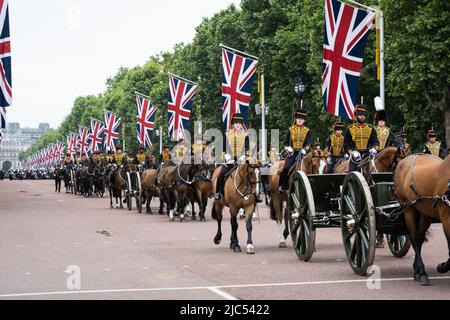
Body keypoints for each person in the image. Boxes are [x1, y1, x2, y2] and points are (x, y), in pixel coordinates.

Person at [214, 113, 249, 200]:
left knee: (253, 173)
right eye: (236, 123)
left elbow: (247, 147)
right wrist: (227, 156)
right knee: (221, 174)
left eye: (239, 123)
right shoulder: (228, 134)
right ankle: (218, 193)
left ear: (242, 125)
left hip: (242, 159)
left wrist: (244, 156)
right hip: (230, 160)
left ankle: (255, 194)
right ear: (233, 124)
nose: (238, 125)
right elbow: (224, 147)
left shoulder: (246, 135)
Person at [278, 108, 312, 194]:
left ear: (304, 120)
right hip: (293, 153)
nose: (300, 120)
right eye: (298, 118)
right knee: (286, 168)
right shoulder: (291, 129)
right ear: (295, 119)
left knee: (312, 167)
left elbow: (309, 143)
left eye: (302, 119)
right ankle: (282, 186)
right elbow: (285, 143)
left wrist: (305, 149)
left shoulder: (307, 130)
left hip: (303, 154)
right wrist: (288, 148)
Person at [343, 105, 379, 172]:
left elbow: (376, 141)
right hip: (355, 154)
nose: (362, 117)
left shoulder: (370, 128)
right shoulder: (350, 129)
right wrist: (352, 152)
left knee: (376, 168)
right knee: (352, 171)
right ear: (356, 116)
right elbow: (346, 144)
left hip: (368, 154)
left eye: (363, 115)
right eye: (360, 115)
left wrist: (374, 148)